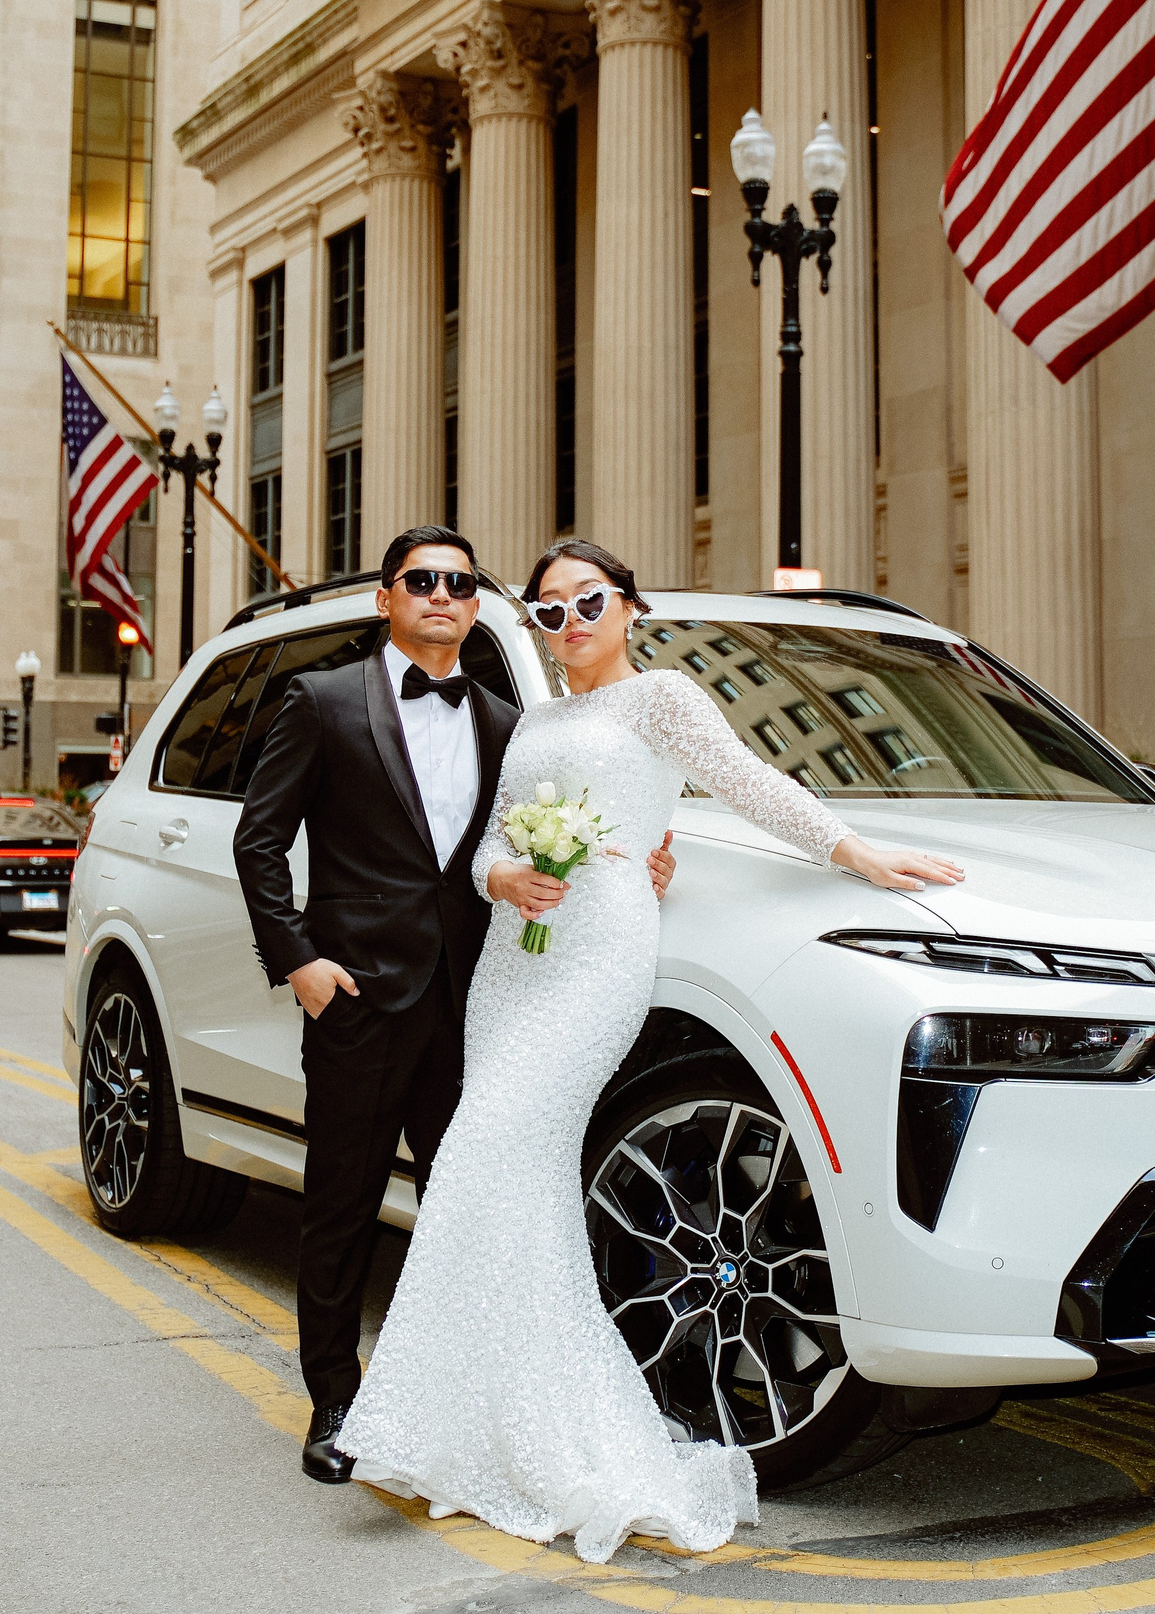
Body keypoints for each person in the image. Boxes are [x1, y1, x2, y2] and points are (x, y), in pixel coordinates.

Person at [332, 539, 963, 1562]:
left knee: (492, 1148)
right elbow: (493, 837)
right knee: (498, 1175)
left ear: (628, 606)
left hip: (599, 952)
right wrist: (504, 879)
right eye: (547, 612)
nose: (569, 622)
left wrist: (852, 850)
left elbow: (747, 780)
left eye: (588, 602)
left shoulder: (661, 697)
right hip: (513, 961)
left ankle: (552, 1431)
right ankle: (475, 1422)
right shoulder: (537, 718)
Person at [232, 526, 678, 1487]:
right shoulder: (322, 701)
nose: (442, 594)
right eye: (421, 580)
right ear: (385, 599)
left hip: (476, 1000)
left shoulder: (507, 721)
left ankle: (458, 1408)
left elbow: (545, 832)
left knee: (465, 1205)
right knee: (339, 1206)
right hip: (353, 996)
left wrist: (644, 855)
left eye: (460, 583)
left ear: (476, 606)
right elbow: (258, 843)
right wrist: (300, 962)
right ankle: (334, 1405)